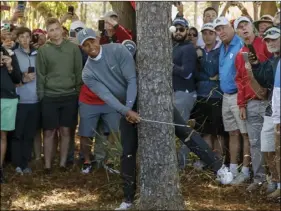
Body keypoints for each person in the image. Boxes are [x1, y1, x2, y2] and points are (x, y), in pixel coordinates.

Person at [78, 28, 230, 210]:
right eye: (85, 45)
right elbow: (107, 97)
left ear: (97, 39)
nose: (91, 47)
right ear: (82, 47)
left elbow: (132, 79)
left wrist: (130, 106)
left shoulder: (117, 49)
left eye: (92, 41)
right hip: (124, 107)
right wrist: (127, 111)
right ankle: (128, 199)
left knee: (182, 129)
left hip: (147, 97)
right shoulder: (87, 73)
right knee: (127, 151)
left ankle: (219, 167)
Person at [36, 18, 83, 173]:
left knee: (65, 131)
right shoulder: (43, 50)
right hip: (49, 96)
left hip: (70, 95)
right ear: (48, 33)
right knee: (48, 132)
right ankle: (48, 165)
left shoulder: (73, 48)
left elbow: (78, 72)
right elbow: (41, 74)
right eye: (51, 30)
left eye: (57, 29)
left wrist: (76, 91)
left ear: (62, 30)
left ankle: (62, 164)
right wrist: (41, 95)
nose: (55, 32)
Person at [234, 16, 272, 188]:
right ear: (237, 32)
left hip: (269, 100)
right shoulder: (239, 54)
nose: (244, 29)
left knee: (271, 140)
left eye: (246, 25)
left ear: (252, 27)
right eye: (240, 27)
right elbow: (240, 81)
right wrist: (241, 104)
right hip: (251, 103)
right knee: (255, 142)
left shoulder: (265, 44)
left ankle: (275, 180)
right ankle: (259, 179)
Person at [214, 16, 250, 183]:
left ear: (230, 27)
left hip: (239, 95)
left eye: (222, 28)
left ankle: (246, 170)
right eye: (217, 30)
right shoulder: (223, 46)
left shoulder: (240, 44)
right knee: (232, 133)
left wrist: (243, 99)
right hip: (226, 96)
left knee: (245, 134)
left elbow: (246, 74)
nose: (220, 32)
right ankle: (233, 169)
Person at [249, 26, 280, 199]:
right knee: (268, 146)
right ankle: (275, 181)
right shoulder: (270, 61)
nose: (271, 42)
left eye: (274, 38)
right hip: (272, 109)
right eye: (267, 40)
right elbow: (263, 79)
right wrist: (254, 65)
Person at [11, 27, 40, 174]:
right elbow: (13, 77)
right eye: (21, 37)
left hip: (35, 100)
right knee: (18, 134)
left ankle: (25, 163)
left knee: (29, 134)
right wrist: (23, 78)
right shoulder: (13, 54)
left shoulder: (38, 54)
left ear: (31, 38)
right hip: (20, 100)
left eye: (27, 36)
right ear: (17, 39)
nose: (24, 40)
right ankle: (17, 164)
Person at [193, 23, 224, 156]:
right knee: (204, 131)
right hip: (201, 95)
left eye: (210, 33)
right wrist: (208, 77)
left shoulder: (220, 50)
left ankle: (218, 161)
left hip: (217, 96)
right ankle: (207, 160)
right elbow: (196, 74)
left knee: (217, 132)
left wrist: (207, 72)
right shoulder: (199, 51)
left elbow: (214, 70)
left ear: (216, 35)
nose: (207, 36)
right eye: (204, 33)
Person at [171, 17, 198, 169]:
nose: (178, 32)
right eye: (176, 29)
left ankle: (182, 164)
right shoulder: (175, 47)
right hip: (176, 92)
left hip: (184, 93)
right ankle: (177, 162)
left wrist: (169, 65)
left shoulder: (188, 48)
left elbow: (187, 73)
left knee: (181, 129)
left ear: (187, 31)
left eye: (182, 29)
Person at [0, 45, 22, 183]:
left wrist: (9, 66)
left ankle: (0, 168)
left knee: (3, 135)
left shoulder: (8, 52)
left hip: (7, 99)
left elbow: (17, 78)